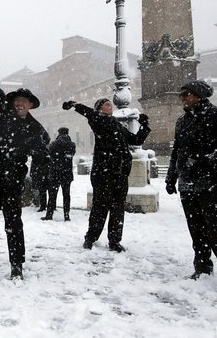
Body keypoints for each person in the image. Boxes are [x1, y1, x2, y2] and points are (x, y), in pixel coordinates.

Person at [165, 80, 217, 293]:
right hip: (187, 182)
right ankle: (202, 266)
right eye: (181, 95)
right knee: (196, 228)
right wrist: (171, 176)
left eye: (187, 95)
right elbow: (177, 150)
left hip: (210, 181)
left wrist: (209, 158)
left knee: (216, 229)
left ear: (199, 96)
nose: (183, 99)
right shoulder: (181, 121)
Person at [0, 86, 50, 280]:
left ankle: (16, 265)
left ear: (30, 105)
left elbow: (41, 152)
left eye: (25, 101)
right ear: (12, 102)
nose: (20, 103)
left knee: (13, 221)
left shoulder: (35, 127)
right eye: (17, 100)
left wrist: (41, 168)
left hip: (12, 178)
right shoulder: (1, 114)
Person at [63, 98, 150, 252]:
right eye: (106, 104)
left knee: (117, 209)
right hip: (104, 173)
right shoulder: (98, 121)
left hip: (120, 174)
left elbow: (135, 140)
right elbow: (88, 113)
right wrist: (76, 105)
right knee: (100, 208)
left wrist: (144, 126)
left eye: (110, 103)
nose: (110, 105)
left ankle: (114, 241)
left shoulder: (119, 125)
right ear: (99, 109)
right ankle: (90, 238)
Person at [42, 127, 76, 222]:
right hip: (67, 173)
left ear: (59, 133)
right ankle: (66, 215)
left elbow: (49, 154)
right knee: (66, 195)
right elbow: (71, 155)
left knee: (52, 195)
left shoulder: (54, 144)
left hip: (55, 172)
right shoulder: (71, 145)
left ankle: (49, 214)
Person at [29, 128, 52, 212]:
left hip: (42, 171)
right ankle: (49, 205)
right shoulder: (45, 148)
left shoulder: (37, 148)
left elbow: (35, 161)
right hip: (46, 171)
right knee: (47, 189)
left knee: (43, 189)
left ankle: (44, 205)